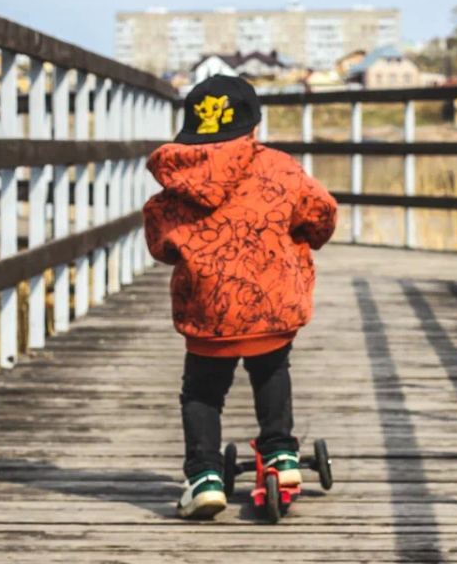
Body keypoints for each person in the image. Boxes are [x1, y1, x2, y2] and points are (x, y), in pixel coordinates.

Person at [143, 75, 338, 519]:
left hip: (208, 311)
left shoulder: (178, 177)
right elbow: (321, 212)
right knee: (271, 368)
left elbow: (161, 244)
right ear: (253, 126)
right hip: (272, 303)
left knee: (202, 392)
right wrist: (301, 237)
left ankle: (204, 476)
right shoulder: (280, 168)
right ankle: (281, 454)